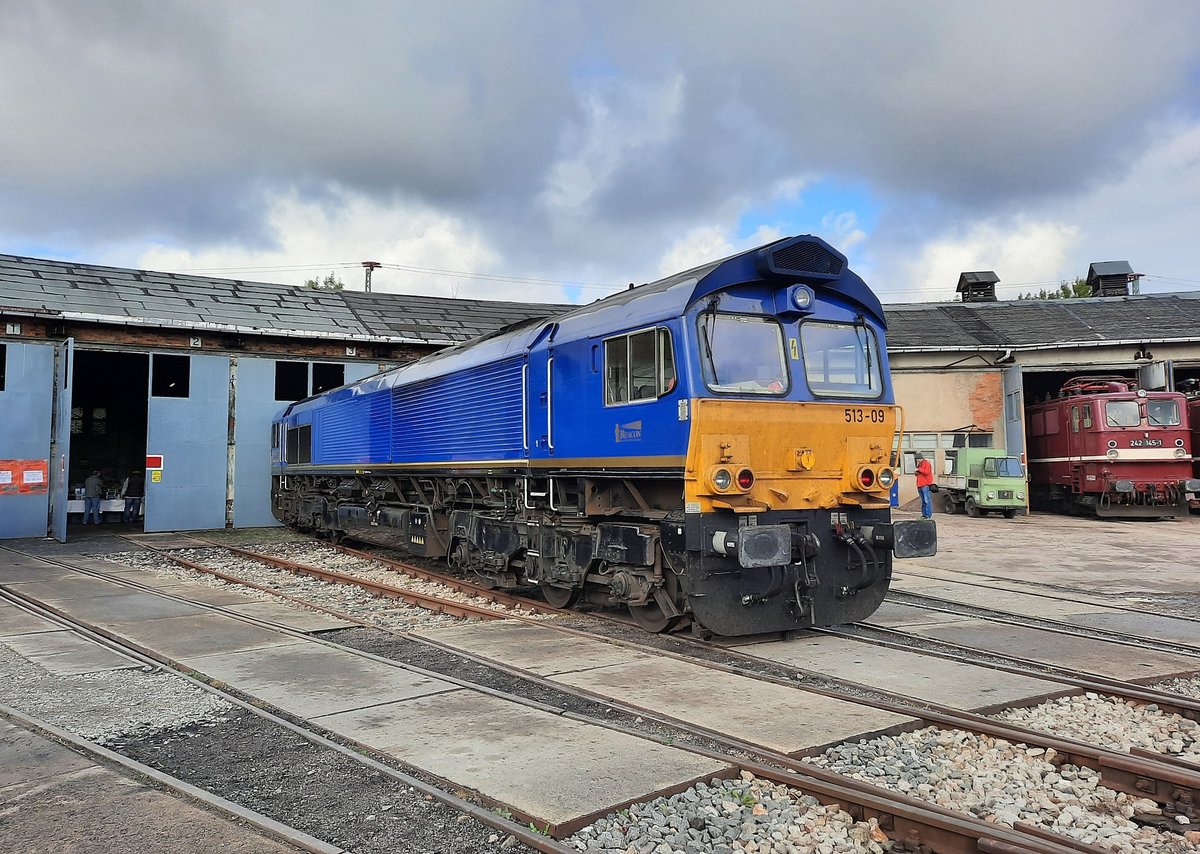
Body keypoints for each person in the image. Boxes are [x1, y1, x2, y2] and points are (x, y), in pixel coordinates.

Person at [914, 452, 934, 520]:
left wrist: (919, 470)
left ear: (920, 458)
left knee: (927, 500)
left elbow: (927, 472)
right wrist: (916, 472)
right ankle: (924, 514)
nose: (917, 460)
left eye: (917, 459)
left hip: (925, 485)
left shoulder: (926, 464)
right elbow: (920, 474)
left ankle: (928, 515)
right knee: (923, 501)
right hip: (919, 484)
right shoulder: (919, 464)